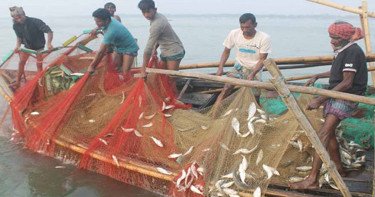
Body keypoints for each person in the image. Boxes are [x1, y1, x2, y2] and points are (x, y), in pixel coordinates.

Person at [290, 21, 367, 190]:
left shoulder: (353, 52)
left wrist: (320, 99)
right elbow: (338, 72)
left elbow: (347, 82)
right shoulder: (343, 50)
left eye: (335, 38)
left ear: (345, 38)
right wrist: (318, 74)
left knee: (323, 133)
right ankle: (339, 168)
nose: (331, 41)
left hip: (345, 97)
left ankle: (312, 179)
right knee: (329, 133)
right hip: (336, 93)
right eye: (330, 37)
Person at [212, 13, 271, 116]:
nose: (244, 30)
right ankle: (214, 114)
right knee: (226, 88)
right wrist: (220, 68)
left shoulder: (264, 38)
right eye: (242, 27)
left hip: (255, 69)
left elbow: (262, 59)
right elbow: (226, 51)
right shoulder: (234, 33)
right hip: (239, 67)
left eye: (247, 27)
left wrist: (252, 74)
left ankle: (257, 116)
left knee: (255, 96)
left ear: (255, 25)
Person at [138, 0, 185, 78]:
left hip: (174, 52)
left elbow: (147, 49)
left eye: (148, 11)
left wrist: (143, 70)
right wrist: (154, 49)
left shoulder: (157, 23)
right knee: (161, 77)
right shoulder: (156, 17)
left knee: (171, 78)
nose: (146, 15)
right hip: (164, 51)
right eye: (143, 12)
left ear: (155, 9)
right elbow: (158, 37)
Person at [10, 6, 53, 89]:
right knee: (21, 62)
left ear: (24, 14)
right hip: (27, 47)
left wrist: (49, 43)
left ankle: (40, 82)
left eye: (19, 17)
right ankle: (18, 82)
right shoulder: (16, 25)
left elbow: (49, 31)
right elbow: (19, 37)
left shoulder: (35, 21)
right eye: (16, 19)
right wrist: (17, 46)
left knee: (39, 65)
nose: (19, 20)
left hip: (39, 48)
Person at [86, 8, 139, 74]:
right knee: (115, 68)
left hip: (129, 48)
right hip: (118, 47)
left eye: (98, 21)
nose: (96, 23)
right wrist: (96, 29)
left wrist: (92, 66)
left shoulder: (111, 31)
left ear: (107, 20)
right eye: (95, 21)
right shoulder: (110, 19)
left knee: (125, 72)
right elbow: (101, 26)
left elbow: (101, 51)